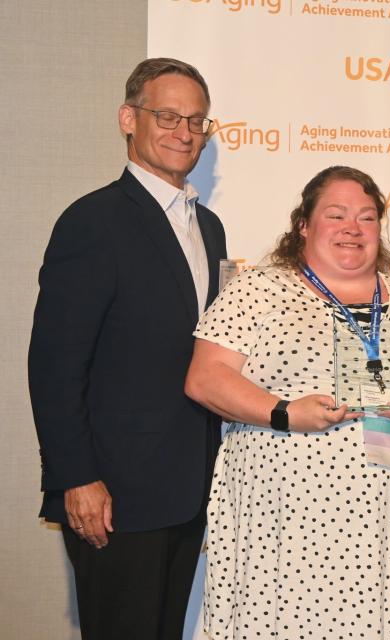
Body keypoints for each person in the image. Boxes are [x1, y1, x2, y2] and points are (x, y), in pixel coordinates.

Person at [184, 165, 390, 639]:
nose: (352, 228)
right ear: (303, 224)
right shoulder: (259, 289)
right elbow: (205, 378)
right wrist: (284, 411)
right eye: (336, 215)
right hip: (287, 522)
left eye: (366, 217)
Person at [27, 58, 226, 639]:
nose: (183, 133)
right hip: (113, 496)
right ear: (128, 120)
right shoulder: (92, 222)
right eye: (167, 116)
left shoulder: (209, 227)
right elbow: (54, 366)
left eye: (196, 121)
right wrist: (76, 478)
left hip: (187, 490)